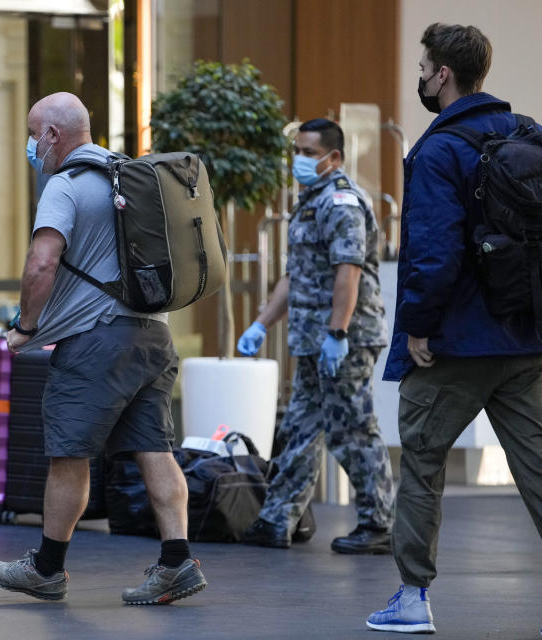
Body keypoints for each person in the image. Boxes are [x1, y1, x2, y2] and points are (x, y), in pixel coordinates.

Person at [0, 92, 207, 604]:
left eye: (32, 134)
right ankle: (176, 561)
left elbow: (43, 262)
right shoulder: (126, 174)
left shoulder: (66, 186)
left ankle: (45, 568)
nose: (30, 146)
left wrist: (25, 325)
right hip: (152, 336)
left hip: (96, 343)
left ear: (52, 135)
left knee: (68, 454)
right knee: (155, 447)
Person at [367, 23, 542, 634]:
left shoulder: (440, 149)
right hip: (525, 337)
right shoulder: (529, 135)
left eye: (424, 68)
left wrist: (417, 326)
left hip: (455, 345)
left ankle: (413, 597)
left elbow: (434, 253)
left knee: (420, 462)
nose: (420, 76)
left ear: (442, 74)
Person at [237, 118, 395, 554]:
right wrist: (260, 323)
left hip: (345, 338)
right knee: (300, 428)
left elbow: (350, 272)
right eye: (298, 152)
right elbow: (296, 276)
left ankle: (379, 523)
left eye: (309, 153)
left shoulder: (342, 202)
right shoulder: (310, 201)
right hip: (311, 340)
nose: (300, 161)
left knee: (353, 430)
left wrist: (338, 332)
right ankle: (275, 520)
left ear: (334, 158)